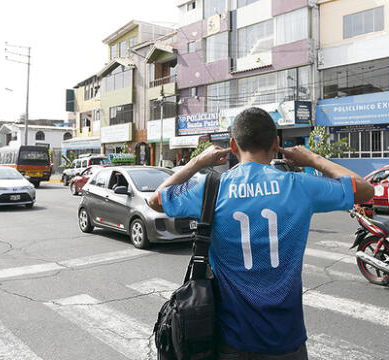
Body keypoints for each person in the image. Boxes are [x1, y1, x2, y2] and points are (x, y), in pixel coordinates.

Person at [148, 107, 373, 359]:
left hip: (230, 340)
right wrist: (312, 159)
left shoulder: (211, 187)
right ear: (276, 144)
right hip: (287, 340)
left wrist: (197, 162)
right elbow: (365, 190)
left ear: (233, 145)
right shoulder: (298, 185)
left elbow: (155, 200)